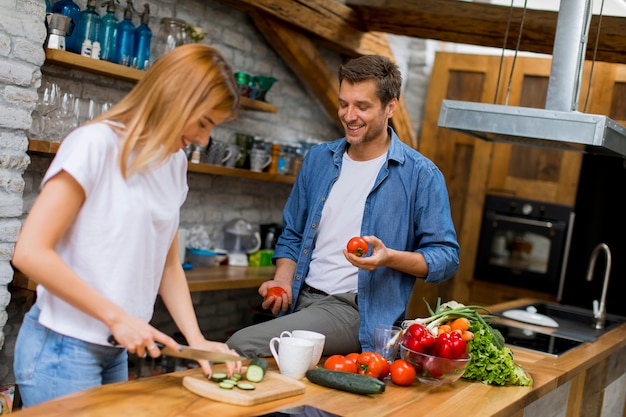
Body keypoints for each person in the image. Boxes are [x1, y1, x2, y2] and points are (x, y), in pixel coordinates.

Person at [12, 44, 242, 408]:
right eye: (202, 122)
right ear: (173, 98)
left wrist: (195, 337)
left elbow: (167, 263)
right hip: (63, 345)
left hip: (115, 349)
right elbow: (29, 252)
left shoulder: (174, 164)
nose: (203, 140)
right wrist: (117, 317)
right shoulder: (94, 144)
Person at [226, 54, 460, 358]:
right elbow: (293, 234)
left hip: (353, 311)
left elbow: (446, 257)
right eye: (343, 104)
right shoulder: (318, 160)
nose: (349, 115)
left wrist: (389, 257)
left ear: (391, 106)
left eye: (362, 106)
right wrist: (283, 280)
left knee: (239, 345)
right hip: (302, 298)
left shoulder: (421, 175)